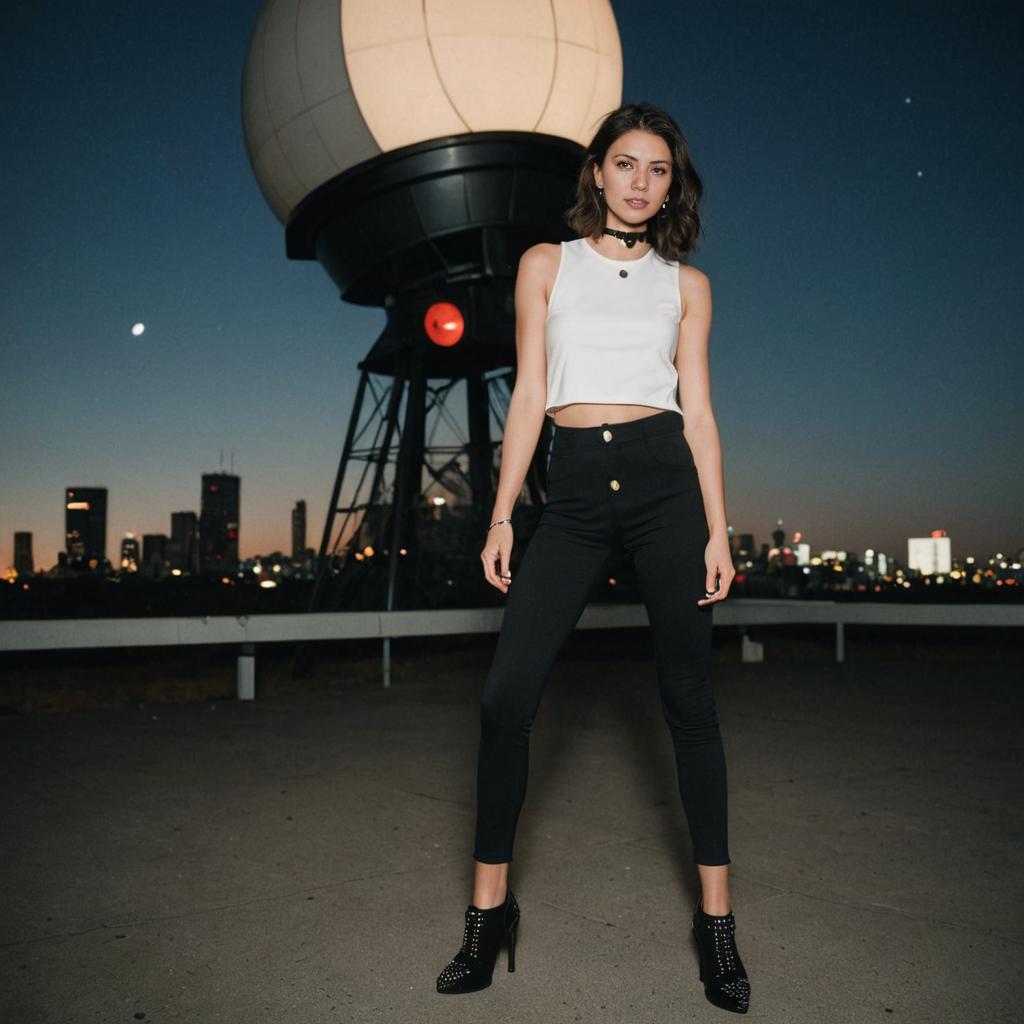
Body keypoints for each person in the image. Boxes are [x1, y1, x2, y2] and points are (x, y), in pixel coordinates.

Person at [435, 102, 750, 1014]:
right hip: (570, 493)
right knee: (505, 700)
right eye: (626, 164)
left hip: (665, 489)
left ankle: (717, 926)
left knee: (690, 704)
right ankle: (490, 915)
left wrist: (719, 526)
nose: (641, 181)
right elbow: (530, 392)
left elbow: (700, 412)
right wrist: (501, 515)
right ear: (598, 173)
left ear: (671, 183)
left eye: (658, 168)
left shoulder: (686, 285)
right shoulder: (548, 265)